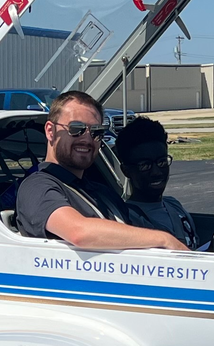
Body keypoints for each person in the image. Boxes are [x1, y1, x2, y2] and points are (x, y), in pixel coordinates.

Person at [14, 91, 187, 251]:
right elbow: (78, 232)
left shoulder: (101, 193)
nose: (87, 139)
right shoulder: (37, 187)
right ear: (50, 131)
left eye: (96, 132)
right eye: (76, 129)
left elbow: (135, 228)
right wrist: (164, 239)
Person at [115, 118, 214, 254]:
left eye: (161, 162)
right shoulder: (129, 220)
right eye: (145, 166)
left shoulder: (174, 205)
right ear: (126, 170)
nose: (156, 172)